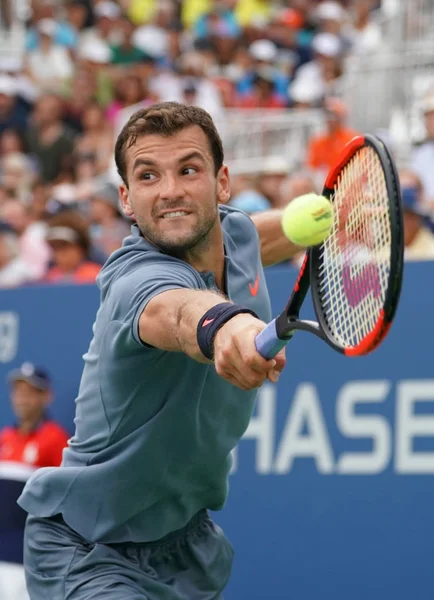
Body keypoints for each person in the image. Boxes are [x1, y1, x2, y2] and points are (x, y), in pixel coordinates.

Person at [18, 102, 303, 599]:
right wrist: (229, 326)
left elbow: (251, 238)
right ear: (127, 198)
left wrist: (310, 223)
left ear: (222, 183)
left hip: (184, 546)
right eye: (148, 176)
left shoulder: (231, 230)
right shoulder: (136, 280)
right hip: (88, 550)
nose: (170, 191)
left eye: (188, 170)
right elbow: (178, 312)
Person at [0, 363, 69, 600]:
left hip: (26, 559)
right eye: (18, 392)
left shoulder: (55, 439)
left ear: (46, 396)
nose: (23, 399)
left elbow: (63, 503)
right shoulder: (5, 438)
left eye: (30, 393)